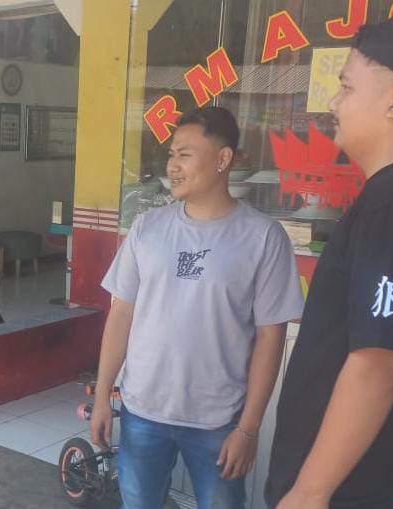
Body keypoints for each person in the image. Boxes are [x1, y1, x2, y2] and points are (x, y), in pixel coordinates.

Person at [266, 12, 393, 509]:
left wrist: (310, 492)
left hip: (357, 492)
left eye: (346, 87)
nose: (334, 103)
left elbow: (380, 363)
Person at [91, 106, 304, 509]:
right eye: (172, 154)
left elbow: (270, 337)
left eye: (185, 155)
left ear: (223, 159)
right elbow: (121, 314)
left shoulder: (262, 237)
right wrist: (103, 397)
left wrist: (248, 428)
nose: (172, 165)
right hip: (142, 411)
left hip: (218, 420)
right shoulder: (148, 228)